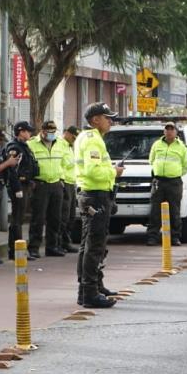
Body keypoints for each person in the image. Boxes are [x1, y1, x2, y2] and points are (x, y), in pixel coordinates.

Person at [74, 103, 124, 308]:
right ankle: (90, 293)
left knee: (88, 245)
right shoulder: (93, 140)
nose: (110, 121)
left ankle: (89, 288)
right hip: (95, 195)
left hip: (91, 194)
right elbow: (94, 172)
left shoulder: (85, 137)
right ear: (95, 120)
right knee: (94, 246)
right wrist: (114, 172)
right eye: (107, 117)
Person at [27, 120, 72, 258]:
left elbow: (65, 163)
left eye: (53, 132)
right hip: (40, 184)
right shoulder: (31, 144)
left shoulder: (60, 143)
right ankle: (34, 247)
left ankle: (52, 246)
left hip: (56, 183)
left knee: (55, 218)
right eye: (48, 132)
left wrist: (62, 180)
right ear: (42, 131)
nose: (51, 135)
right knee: (38, 218)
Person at [146, 122, 187, 246]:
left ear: (176, 132)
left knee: (174, 211)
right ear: (164, 131)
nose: (169, 131)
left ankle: (175, 237)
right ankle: (152, 237)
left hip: (174, 182)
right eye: (167, 129)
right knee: (155, 210)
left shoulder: (182, 146)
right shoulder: (157, 144)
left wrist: (175, 173)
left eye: (172, 129)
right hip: (159, 181)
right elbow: (151, 160)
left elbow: (186, 165)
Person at [5, 121, 38, 256]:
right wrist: (17, 188)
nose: (30, 133)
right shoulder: (15, 147)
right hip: (18, 187)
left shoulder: (24, 146)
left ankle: (15, 250)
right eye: (28, 131)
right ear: (21, 132)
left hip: (25, 185)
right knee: (17, 220)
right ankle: (17, 251)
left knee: (19, 219)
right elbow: (13, 170)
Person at [60, 126, 82, 253]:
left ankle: (66, 242)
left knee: (71, 216)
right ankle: (62, 242)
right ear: (67, 133)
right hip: (64, 183)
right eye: (73, 137)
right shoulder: (60, 145)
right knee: (64, 216)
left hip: (71, 183)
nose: (74, 140)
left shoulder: (69, 147)